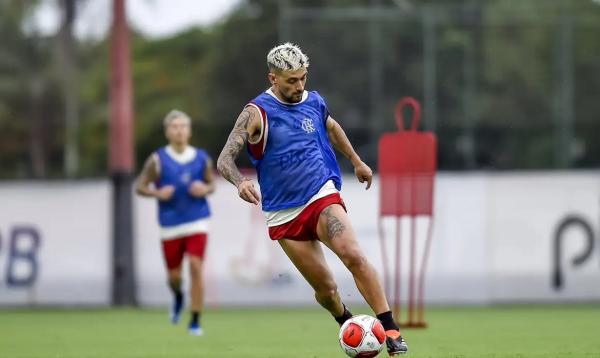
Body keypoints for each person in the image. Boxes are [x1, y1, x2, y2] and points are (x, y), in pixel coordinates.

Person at [216, 43, 408, 355]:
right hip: (283, 214)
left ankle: (391, 330)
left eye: (303, 78)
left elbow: (331, 127)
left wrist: (357, 161)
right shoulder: (256, 113)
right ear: (273, 78)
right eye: (291, 80)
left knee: (354, 255)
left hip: (321, 194)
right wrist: (239, 182)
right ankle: (348, 325)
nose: (299, 85)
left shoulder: (314, 102)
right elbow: (224, 159)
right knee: (327, 289)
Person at [136, 110, 215, 336]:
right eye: (174, 127)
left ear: (189, 131)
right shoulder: (157, 160)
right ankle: (178, 296)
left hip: (197, 220)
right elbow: (140, 187)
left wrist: (204, 189)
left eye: (183, 126)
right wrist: (157, 193)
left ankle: (195, 320)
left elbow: (212, 185)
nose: (179, 130)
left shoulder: (201, 158)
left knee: (196, 267)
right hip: (170, 224)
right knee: (174, 276)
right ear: (167, 132)